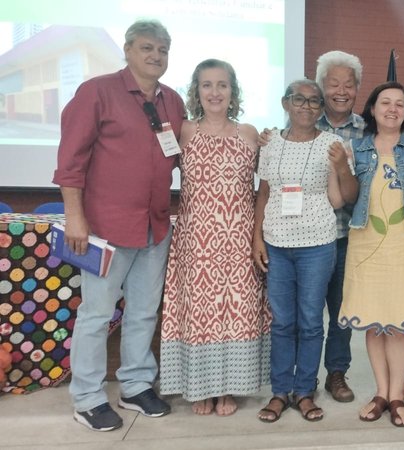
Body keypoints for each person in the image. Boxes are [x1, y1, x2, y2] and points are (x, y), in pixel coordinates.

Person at [53, 20, 185, 431]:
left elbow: (181, 155)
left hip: (156, 226)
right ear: (127, 49)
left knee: (144, 312)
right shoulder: (97, 91)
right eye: (147, 48)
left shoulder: (173, 101)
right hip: (104, 228)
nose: (155, 56)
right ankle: (88, 398)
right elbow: (71, 162)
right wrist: (75, 216)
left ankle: (135, 384)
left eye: (163, 50)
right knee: (96, 315)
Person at [159, 59, 269, 416]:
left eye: (222, 85)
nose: (215, 92)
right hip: (197, 238)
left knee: (237, 312)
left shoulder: (250, 134)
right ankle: (201, 388)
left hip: (238, 239)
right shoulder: (185, 131)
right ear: (197, 91)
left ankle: (230, 388)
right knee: (200, 313)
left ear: (232, 91)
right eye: (207, 85)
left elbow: (266, 188)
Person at [338, 82, 404, 427]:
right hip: (367, 244)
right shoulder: (356, 147)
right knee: (374, 321)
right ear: (372, 108)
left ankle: (397, 394)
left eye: (399, 104)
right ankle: (381, 392)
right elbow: (345, 196)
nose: (392, 109)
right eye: (385, 102)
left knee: (401, 324)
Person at [252, 79, 357, 423]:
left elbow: (341, 199)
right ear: (286, 103)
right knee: (283, 322)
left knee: (311, 323)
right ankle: (280, 392)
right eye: (300, 100)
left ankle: (305, 391)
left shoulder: (332, 144)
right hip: (277, 244)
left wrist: (342, 166)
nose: (307, 107)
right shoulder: (269, 145)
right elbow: (264, 195)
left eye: (315, 102)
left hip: (317, 244)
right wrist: (257, 239)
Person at [315, 51, 366, 403]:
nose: (341, 90)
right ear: (321, 86)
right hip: (306, 240)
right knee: (305, 314)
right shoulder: (301, 124)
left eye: (349, 84)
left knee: (341, 313)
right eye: (334, 83)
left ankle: (336, 373)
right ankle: (301, 377)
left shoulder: (367, 130)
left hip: (349, 236)